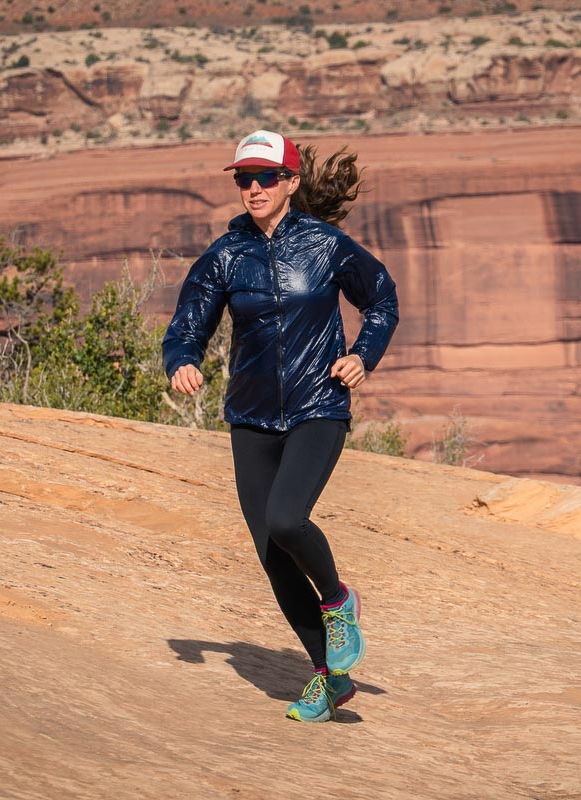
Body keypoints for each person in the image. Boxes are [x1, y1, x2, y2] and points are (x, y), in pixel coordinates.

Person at [163, 130, 399, 723]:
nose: (253, 188)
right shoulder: (225, 254)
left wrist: (363, 354)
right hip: (251, 417)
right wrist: (182, 359)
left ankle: (339, 602)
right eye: (244, 178)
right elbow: (188, 321)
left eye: (266, 177)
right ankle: (329, 676)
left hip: (320, 404)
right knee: (272, 554)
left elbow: (383, 299)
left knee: (287, 519)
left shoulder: (326, 245)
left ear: (291, 182)